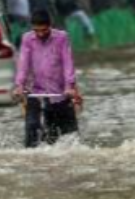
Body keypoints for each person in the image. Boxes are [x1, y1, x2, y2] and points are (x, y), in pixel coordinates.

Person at [12, 9, 83, 147]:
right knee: (32, 130)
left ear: (51, 25)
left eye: (44, 30)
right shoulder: (27, 38)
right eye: (37, 30)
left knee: (67, 136)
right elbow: (23, 63)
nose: (40, 34)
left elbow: (68, 62)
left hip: (60, 91)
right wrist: (19, 85)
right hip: (35, 90)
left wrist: (70, 86)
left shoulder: (62, 37)